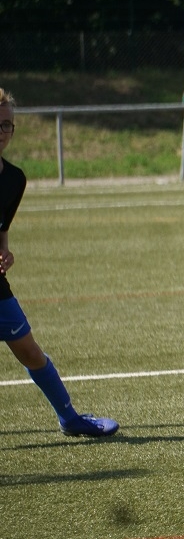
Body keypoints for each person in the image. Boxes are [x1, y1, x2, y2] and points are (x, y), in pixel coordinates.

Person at [0, 89, 119, 437]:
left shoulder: (14, 179)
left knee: (30, 352)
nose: (3, 132)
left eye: (7, 125)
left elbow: (2, 229)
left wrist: (5, 253)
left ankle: (70, 418)